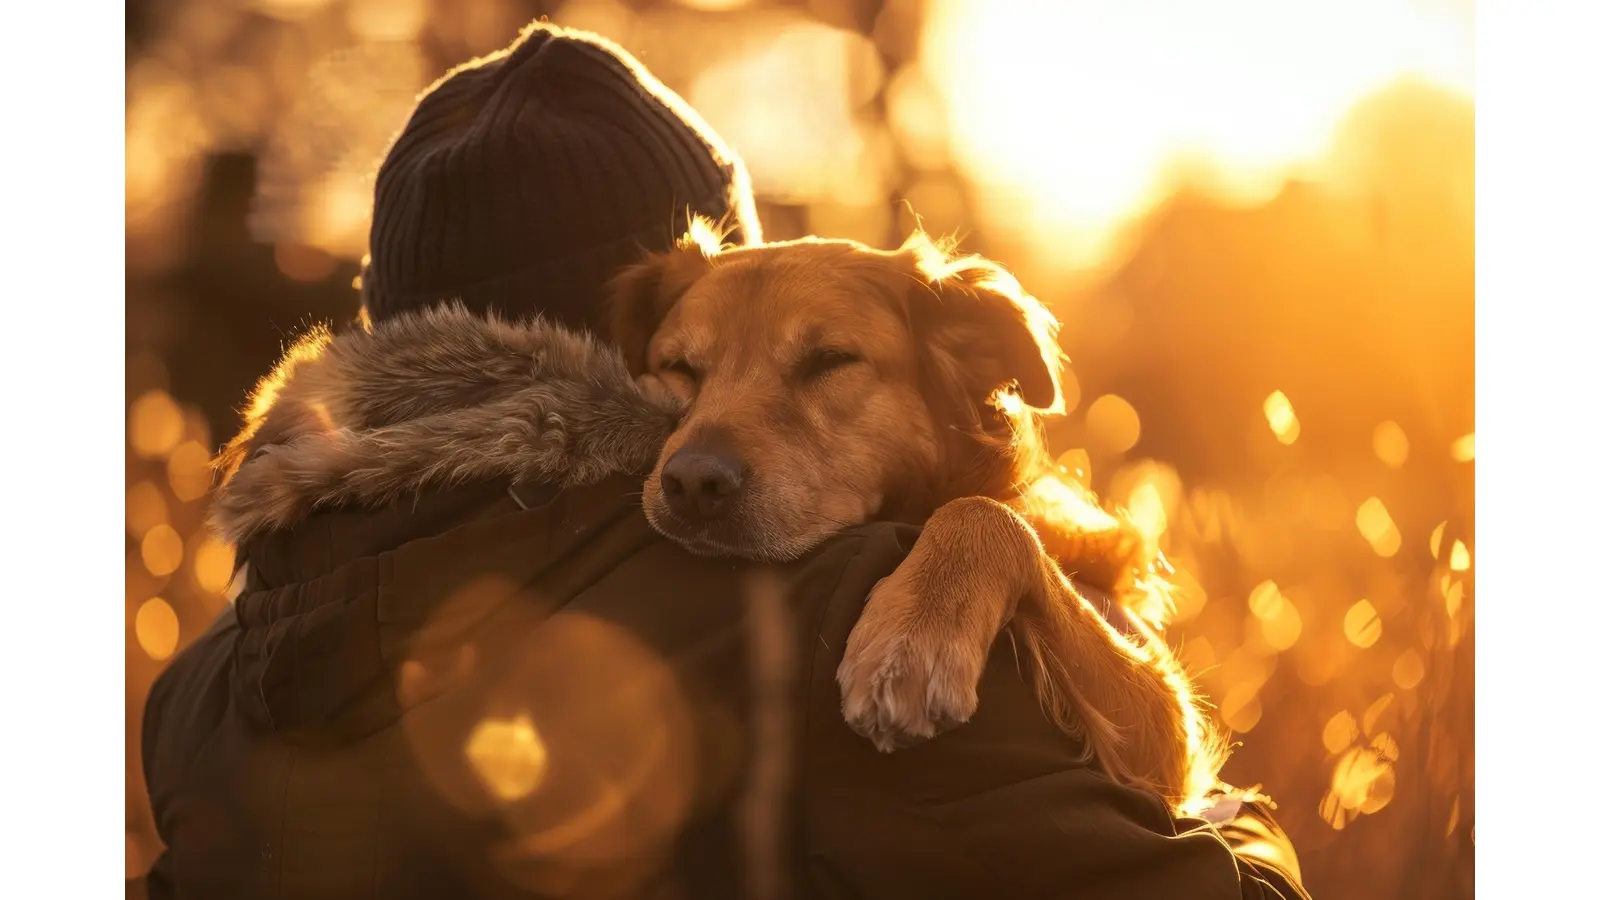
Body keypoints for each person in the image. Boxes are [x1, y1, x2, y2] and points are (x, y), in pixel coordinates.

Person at [139, 22, 1312, 900]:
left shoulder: (197, 692)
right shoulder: (835, 620)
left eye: (806, 360)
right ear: (625, 347)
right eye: (692, 365)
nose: (719, 431)